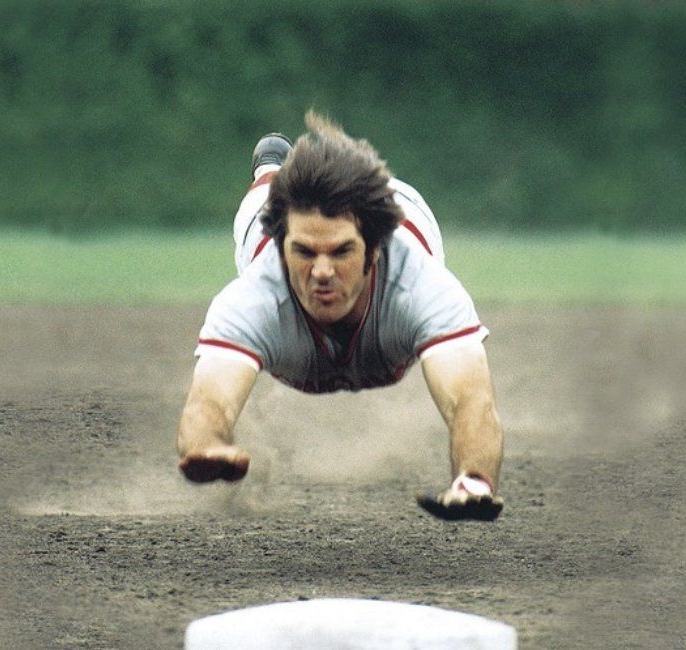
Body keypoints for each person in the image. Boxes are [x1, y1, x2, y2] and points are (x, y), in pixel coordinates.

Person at [176, 112, 504, 521]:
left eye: (342, 251)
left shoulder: (423, 287)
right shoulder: (254, 296)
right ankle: (272, 169)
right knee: (260, 201)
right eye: (304, 252)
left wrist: (473, 480)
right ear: (281, 247)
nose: (322, 273)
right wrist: (209, 443)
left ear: (374, 251)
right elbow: (210, 402)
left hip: (404, 209)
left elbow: (470, 403)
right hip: (273, 226)